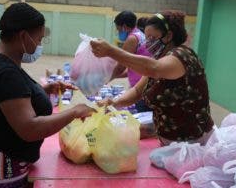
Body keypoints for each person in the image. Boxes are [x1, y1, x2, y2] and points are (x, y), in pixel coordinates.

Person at [0, 3, 95, 188]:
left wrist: (45, 90)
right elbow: (30, 129)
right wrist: (74, 112)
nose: (39, 45)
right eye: (39, 39)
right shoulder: (6, 73)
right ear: (23, 36)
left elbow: (4, 98)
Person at [91, 10, 214, 146]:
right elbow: (138, 91)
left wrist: (110, 51)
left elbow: (153, 69)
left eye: (151, 38)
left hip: (192, 144)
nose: (147, 43)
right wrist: (114, 103)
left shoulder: (182, 56)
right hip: (170, 141)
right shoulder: (160, 58)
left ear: (168, 36)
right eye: (146, 37)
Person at [112, 11, 152, 113]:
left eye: (118, 29)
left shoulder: (132, 39)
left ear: (124, 26)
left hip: (140, 88)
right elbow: (133, 68)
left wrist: (106, 78)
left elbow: (121, 66)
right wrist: (115, 76)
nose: (118, 33)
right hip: (145, 84)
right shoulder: (141, 35)